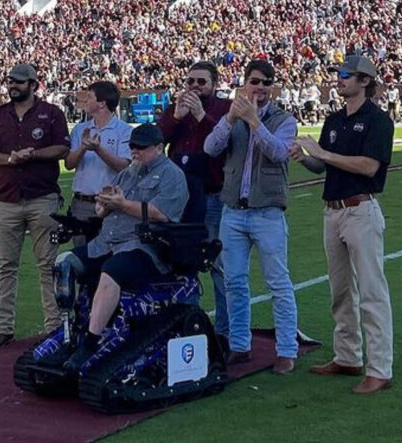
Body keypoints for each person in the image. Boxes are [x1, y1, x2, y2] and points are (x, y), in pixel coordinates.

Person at [291, 53, 395, 395]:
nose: (340, 79)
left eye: (347, 74)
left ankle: (380, 368)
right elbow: (324, 167)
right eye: (339, 73)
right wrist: (307, 159)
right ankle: (348, 356)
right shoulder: (334, 119)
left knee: (371, 292)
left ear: (365, 81)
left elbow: (368, 166)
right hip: (333, 211)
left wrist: (322, 154)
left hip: (360, 209)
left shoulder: (378, 120)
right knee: (340, 291)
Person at [61, 123, 189, 372]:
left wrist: (122, 203)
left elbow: (161, 214)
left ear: (160, 148)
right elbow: (101, 210)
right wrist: (105, 203)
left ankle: (90, 342)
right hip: (107, 241)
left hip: (143, 246)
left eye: (141, 148)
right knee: (64, 263)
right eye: (132, 147)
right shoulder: (128, 172)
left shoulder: (172, 175)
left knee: (112, 271)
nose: (135, 152)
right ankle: (69, 330)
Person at [204, 59, 300, 375]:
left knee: (278, 283)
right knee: (234, 282)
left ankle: (287, 350)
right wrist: (232, 118)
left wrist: (255, 122)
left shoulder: (283, 120)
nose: (260, 88)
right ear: (245, 83)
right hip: (233, 210)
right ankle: (240, 345)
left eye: (266, 83)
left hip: (268, 212)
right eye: (255, 82)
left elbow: (278, 152)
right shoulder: (233, 117)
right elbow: (211, 148)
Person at [0, 62, 70, 350]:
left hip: (42, 198)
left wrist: (33, 155)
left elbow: (62, 149)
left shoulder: (51, 114)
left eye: (19, 81)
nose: (13, 85)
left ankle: (54, 326)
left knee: (47, 265)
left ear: (34, 84)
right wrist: (10, 159)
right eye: (10, 81)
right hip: (6, 200)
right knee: (6, 266)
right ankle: (2, 328)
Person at [156, 60, 231, 343]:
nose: (195, 87)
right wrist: (176, 115)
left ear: (214, 84)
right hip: (180, 199)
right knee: (180, 261)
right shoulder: (177, 108)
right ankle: (186, 322)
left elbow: (224, 143)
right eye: (191, 82)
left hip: (212, 194)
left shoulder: (223, 109)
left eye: (201, 82)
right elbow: (156, 140)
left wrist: (200, 116)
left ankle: (224, 330)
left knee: (218, 264)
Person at [65, 80, 132, 244]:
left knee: (110, 256)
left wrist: (98, 149)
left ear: (102, 103)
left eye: (89, 97)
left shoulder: (124, 130)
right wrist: (83, 147)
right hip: (82, 204)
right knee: (81, 257)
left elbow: (124, 166)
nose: (85, 101)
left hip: (110, 204)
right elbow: (69, 164)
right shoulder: (80, 129)